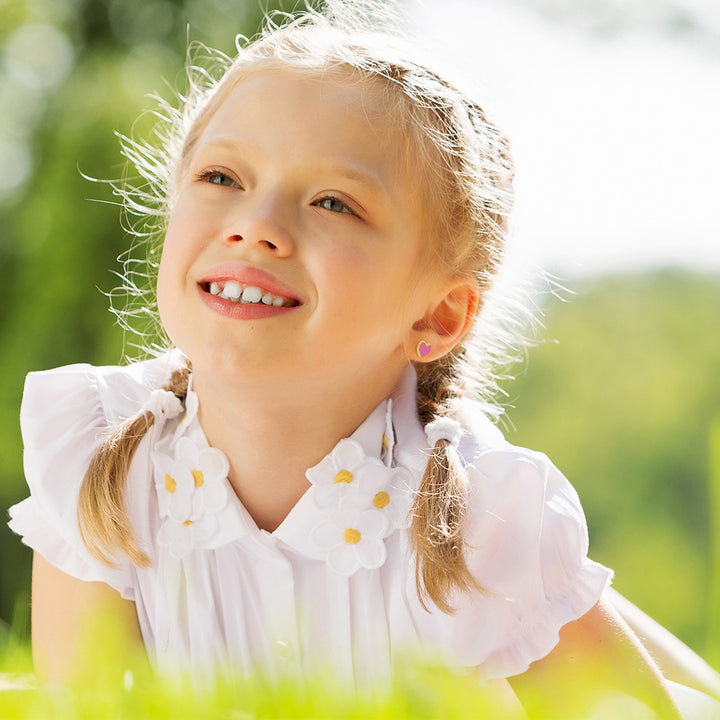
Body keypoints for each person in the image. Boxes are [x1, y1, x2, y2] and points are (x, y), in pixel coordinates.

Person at [8, 1, 687, 717]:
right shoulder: (102, 465)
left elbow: (634, 708)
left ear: (435, 315)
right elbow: (83, 705)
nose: (256, 227)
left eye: (333, 202)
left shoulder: (476, 525)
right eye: (222, 178)